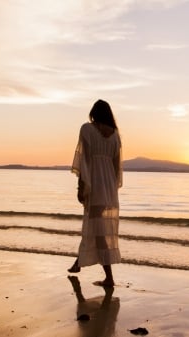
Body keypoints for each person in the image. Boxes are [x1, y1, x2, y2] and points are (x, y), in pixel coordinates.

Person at [68, 99, 123, 287]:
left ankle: (108, 277)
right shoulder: (115, 136)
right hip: (108, 189)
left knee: (96, 232)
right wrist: (112, 188)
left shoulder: (87, 129)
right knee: (96, 230)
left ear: (93, 113)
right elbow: (117, 169)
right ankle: (78, 263)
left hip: (95, 186)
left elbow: (83, 161)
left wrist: (80, 186)